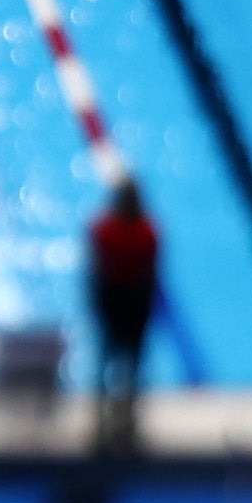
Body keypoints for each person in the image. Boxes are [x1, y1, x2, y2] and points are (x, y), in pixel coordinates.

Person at [86, 178, 162, 451]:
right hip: (130, 303)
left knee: (113, 363)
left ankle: (107, 419)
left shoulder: (106, 230)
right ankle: (121, 418)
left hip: (117, 302)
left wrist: (95, 302)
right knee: (125, 364)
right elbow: (151, 275)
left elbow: (95, 272)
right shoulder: (146, 232)